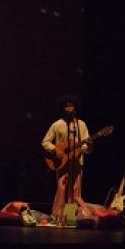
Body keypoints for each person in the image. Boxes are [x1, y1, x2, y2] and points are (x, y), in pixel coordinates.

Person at [41, 95, 91, 223]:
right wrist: (55, 149)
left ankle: (69, 217)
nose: (69, 108)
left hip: (76, 162)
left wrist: (83, 148)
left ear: (75, 108)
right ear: (63, 108)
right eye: (67, 106)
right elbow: (45, 142)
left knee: (74, 190)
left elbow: (86, 143)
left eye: (71, 106)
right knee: (62, 188)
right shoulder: (57, 124)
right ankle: (57, 217)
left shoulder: (81, 124)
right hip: (62, 162)